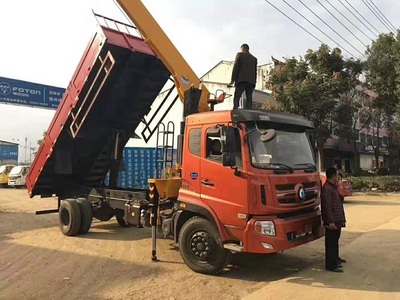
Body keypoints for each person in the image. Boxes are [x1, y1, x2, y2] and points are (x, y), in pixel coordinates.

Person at [321, 167, 347, 273]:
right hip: (332, 221)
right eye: (337, 175)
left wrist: (339, 185)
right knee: (331, 242)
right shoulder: (327, 188)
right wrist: (331, 221)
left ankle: (335, 259)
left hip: (337, 219)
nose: (338, 177)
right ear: (333, 176)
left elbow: (340, 199)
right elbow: (327, 206)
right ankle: (331, 264)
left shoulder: (333, 187)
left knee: (335, 240)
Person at [228, 43, 258, 109]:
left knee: (237, 96)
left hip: (241, 80)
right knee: (249, 98)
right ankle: (249, 111)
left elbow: (235, 67)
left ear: (243, 48)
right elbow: (255, 72)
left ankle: (236, 109)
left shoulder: (240, 55)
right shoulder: (254, 59)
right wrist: (254, 82)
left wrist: (232, 80)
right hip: (251, 82)